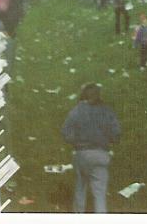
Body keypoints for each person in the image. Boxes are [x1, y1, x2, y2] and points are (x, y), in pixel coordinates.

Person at [61, 83, 121, 213]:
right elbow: (116, 133)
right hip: (101, 154)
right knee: (100, 194)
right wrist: (108, 142)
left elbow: (65, 132)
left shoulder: (77, 110)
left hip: (82, 154)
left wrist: (76, 142)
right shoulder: (107, 110)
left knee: (80, 188)